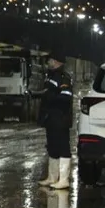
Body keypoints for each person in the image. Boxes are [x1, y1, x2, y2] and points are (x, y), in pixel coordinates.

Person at [37, 50, 74, 190]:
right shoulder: (51, 76)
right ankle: (52, 177)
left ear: (57, 61)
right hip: (51, 118)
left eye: (50, 60)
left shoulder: (64, 77)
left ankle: (63, 179)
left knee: (63, 147)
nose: (48, 62)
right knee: (52, 147)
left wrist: (50, 96)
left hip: (60, 117)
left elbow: (66, 96)